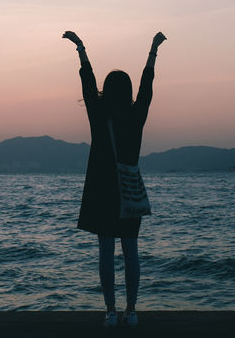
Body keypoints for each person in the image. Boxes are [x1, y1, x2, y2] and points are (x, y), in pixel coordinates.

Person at [64, 29, 166, 328]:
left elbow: (87, 84)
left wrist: (81, 47)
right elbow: (148, 86)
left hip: (101, 189)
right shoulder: (136, 116)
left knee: (105, 252)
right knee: (131, 251)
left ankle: (110, 312)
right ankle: (132, 311)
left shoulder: (98, 113)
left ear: (106, 91)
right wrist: (153, 49)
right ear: (128, 90)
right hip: (128, 190)